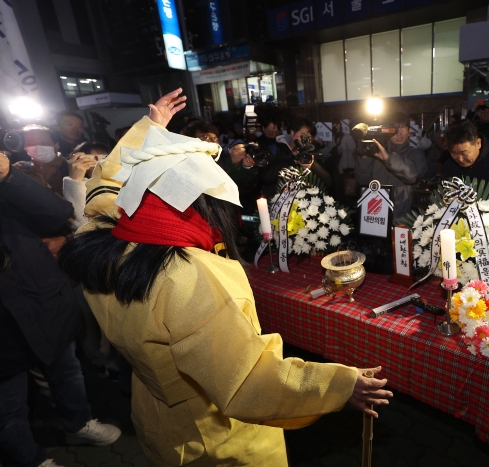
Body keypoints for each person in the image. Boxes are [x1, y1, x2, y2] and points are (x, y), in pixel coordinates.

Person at [58, 107, 392, 466]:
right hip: (215, 437)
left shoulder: (102, 236)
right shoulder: (189, 276)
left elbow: (103, 184)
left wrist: (149, 130)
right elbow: (247, 379)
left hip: (159, 419)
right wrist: (340, 384)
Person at [0, 153, 121, 467]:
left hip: (39, 294)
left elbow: (57, 214)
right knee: (7, 401)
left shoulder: (9, 182)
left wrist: (8, 176)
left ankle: (78, 424)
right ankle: (31, 459)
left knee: (66, 370)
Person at [354, 111, 428, 222]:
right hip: (377, 215)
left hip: (402, 217)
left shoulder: (415, 153)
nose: (399, 133)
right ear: (386, 132)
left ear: (409, 131)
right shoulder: (377, 154)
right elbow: (362, 180)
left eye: (403, 128)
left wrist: (388, 159)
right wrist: (365, 158)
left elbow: (412, 175)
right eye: (395, 129)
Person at [441, 120, 489, 212]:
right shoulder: (450, 164)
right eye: (454, 153)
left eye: (464, 153)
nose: (460, 159)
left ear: (478, 143)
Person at [260, 118, 332, 197]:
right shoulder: (276, 149)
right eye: (303, 135)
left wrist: (312, 166)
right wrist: (291, 161)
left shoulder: (311, 155)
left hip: (304, 204)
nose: (306, 140)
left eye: (310, 138)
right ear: (292, 133)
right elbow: (266, 177)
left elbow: (328, 182)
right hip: (279, 202)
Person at [16, 124, 68, 197]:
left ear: (56, 145)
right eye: (31, 144)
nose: (38, 147)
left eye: (43, 143)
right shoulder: (18, 169)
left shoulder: (72, 169)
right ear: (24, 148)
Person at [217, 139, 261, 213]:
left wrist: (247, 167)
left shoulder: (242, 165)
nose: (212, 142)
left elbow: (245, 189)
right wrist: (230, 159)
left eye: (215, 139)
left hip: (234, 208)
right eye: (205, 137)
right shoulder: (222, 158)